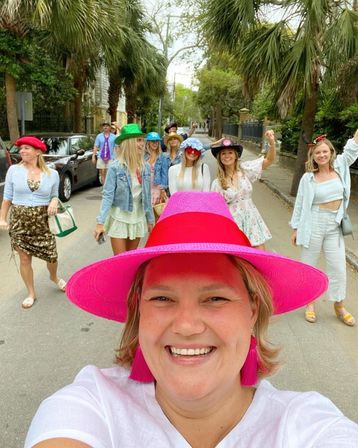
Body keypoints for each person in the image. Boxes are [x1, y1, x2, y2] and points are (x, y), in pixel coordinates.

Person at [25, 192, 358, 448]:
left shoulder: (306, 426)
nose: (186, 326)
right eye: (162, 298)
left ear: (253, 309)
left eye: (215, 298)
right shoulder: (91, 404)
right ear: (139, 309)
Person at [290, 129, 358, 325]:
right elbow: (301, 204)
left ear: (331, 152)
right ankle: (309, 303)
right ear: (313, 156)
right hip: (313, 223)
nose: (321, 155)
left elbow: (353, 146)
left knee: (338, 268)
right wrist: (296, 228)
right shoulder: (308, 178)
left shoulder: (341, 167)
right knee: (309, 265)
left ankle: (339, 305)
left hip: (335, 225)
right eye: (317, 153)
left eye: (324, 152)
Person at [0, 136, 66, 309]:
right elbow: (7, 198)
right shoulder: (14, 170)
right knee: (24, 259)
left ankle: (54, 277)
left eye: (26, 148)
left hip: (42, 222)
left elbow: (54, 195)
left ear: (38, 152)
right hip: (20, 222)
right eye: (20, 149)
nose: (21, 151)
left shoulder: (52, 174)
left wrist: (53, 201)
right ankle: (31, 292)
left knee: (51, 256)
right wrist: (2, 218)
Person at [94, 123, 154, 255]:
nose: (142, 144)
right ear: (129, 143)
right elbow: (107, 195)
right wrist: (100, 222)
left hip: (138, 218)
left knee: (130, 262)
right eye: (138, 140)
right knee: (120, 260)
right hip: (119, 218)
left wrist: (150, 220)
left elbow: (147, 196)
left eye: (143, 140)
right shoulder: (115, 167)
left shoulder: (146, 168)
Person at [211, 130, 276, 249]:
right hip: (232, 224)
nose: (227, 156)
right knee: (239, 261)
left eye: (230, 152)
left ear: (236, 155)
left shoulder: (246, 170)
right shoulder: (217, 183)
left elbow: (269, 160)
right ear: (219, 157)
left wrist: (271, 142)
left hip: (251, 219)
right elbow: (216, 209)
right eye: (223, 153)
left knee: (260, 255)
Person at [144, 131, 169, 208]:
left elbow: (164, 174)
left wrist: (162, 190)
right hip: (145, 188)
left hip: (157, 189)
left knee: (156, 213)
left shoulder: (162, 157)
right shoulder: (143, 156)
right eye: (152, 141)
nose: (155, 143)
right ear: (148, 142)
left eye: (157, 142)